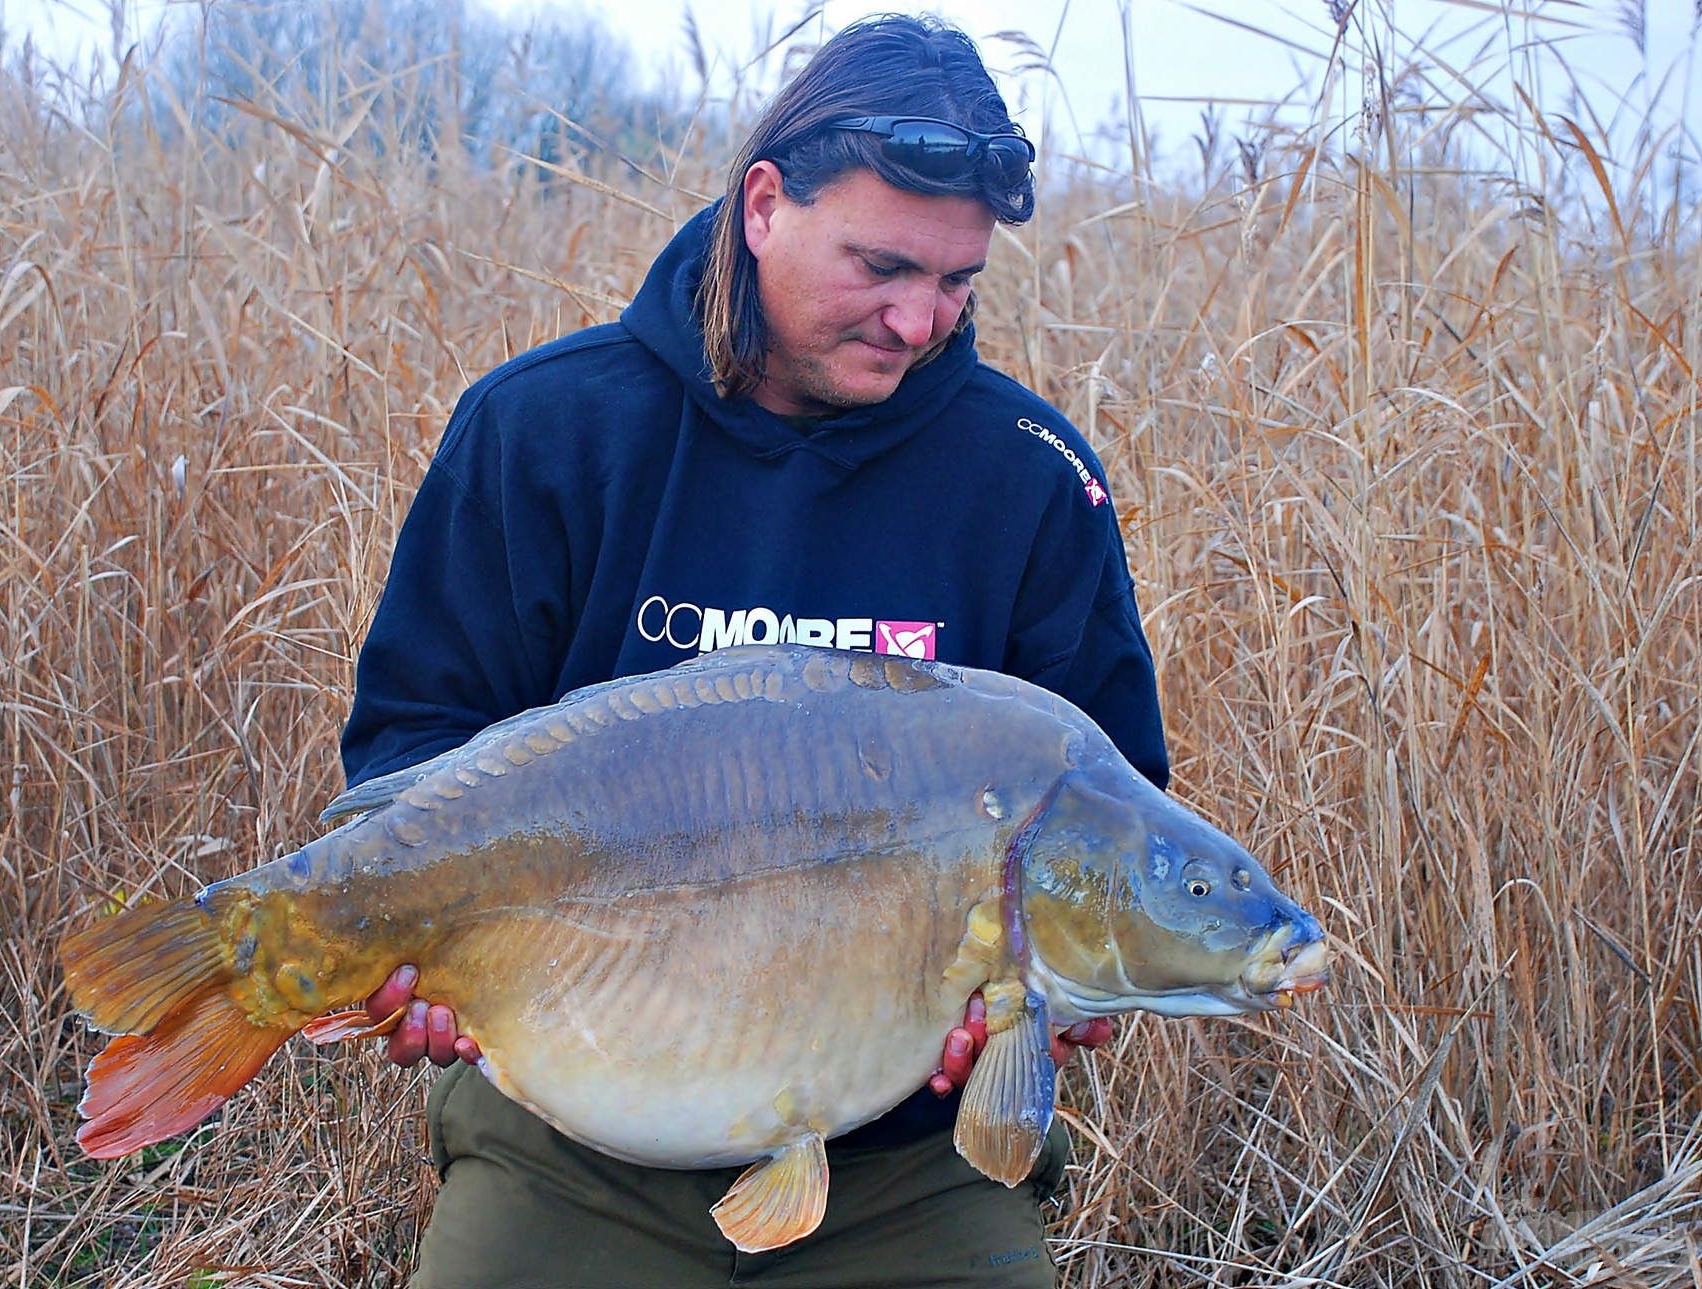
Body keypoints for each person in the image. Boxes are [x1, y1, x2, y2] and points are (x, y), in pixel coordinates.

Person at [338, 15, 1169, 1287]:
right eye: (883, 264)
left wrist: (1068, 1000)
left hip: (910, 1158)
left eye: (958, 283)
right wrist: (421, 949)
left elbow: (1121, 834)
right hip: (579, 1132)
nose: (916, 319)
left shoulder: (1032, 482)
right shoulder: (545, 431)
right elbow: (410, 744)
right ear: (765, 204)